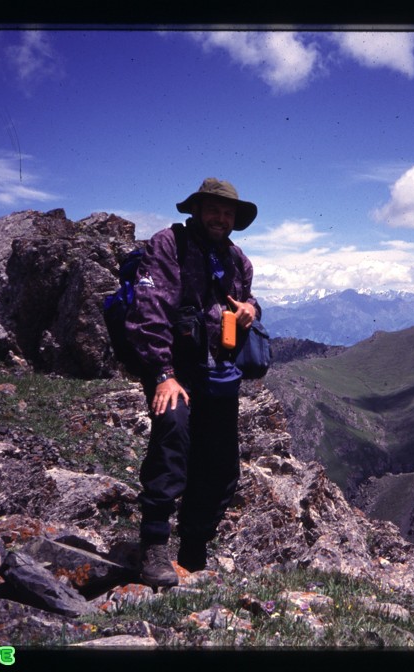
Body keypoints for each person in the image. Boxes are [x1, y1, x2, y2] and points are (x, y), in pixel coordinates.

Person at [124, 177, 260, 587]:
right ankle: (153, 548)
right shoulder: (169, 245)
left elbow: (244, 303)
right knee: (173, 438)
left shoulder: (238, 261)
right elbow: (150, 308)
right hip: (175, 369)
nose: (221, 218)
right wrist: (163, 375)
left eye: (228, 212)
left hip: (218, 372)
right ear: (197, 210)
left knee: (220, 465)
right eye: (214, 209)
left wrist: (252, 308)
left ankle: (193, 553)